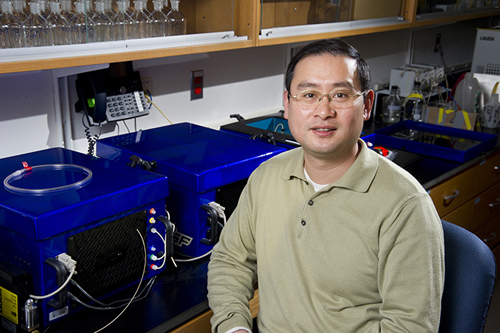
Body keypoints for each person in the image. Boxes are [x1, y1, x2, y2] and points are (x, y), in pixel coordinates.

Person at [207, 38, 445, 333]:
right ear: (287, 104)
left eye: (340, 95)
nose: (323, 111)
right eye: (308, 95)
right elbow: (230, 261)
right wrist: (234, 327)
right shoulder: (266, 177)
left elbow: (410, 328)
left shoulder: (406, 205)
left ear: (367, 105)